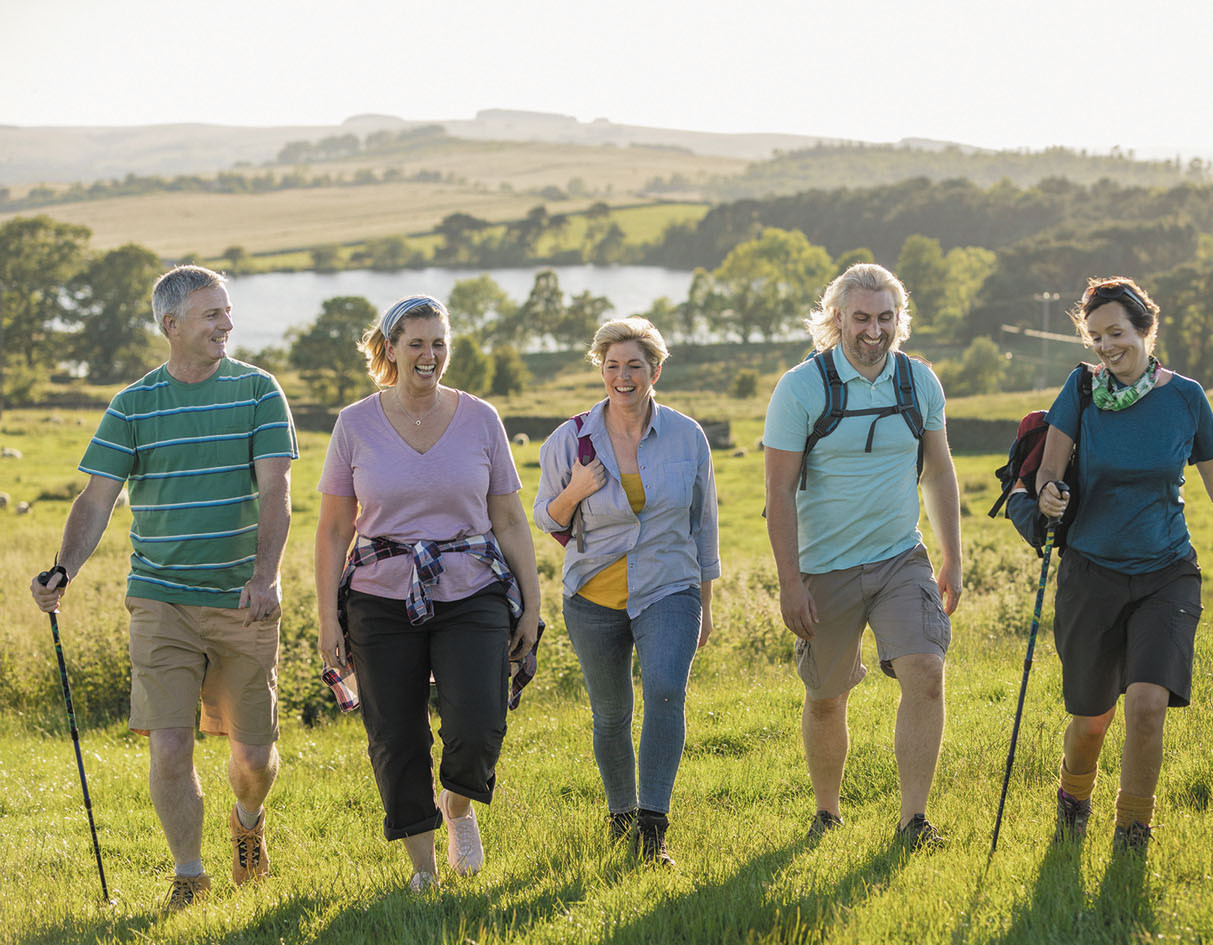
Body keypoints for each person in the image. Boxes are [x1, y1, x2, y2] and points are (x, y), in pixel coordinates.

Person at [30, 265, 296, 910]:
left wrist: (265, 578)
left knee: (253, 757)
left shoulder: (258, 390)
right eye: (213, 314)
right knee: (170, 746)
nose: (227, 324)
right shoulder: (133, 404)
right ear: (171, 325)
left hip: (242, 599)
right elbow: (97, 499)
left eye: (227, 311)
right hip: (159, 598)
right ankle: (189, 875)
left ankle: (248, 821)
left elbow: (276, 491)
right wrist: (63, 569)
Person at [1035, 276, 1213, 857]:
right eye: (1096, 336)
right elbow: (1049, 472)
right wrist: (1049, 494)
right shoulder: (1080, 391)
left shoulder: (1186, 399)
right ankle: (1074, 799)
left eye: (1116, 333)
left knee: (1148, 705)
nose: (1107, 346)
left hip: (1166, 572)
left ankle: (1133, 831)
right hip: (1091, 573)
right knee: (1092, 720)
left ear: (1146, 330)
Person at [313, 295, 541, 893]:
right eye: (415, 343)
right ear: (390, 349)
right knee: (396, 736)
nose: (429, 355)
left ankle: (457, 807)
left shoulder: (481, 418)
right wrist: (328, 619)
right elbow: (333, 529)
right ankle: (423, 870)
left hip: (473, 590)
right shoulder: (354, 424)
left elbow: (509, 519)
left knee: (480, 723)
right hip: (378, 597)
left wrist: (533, 603)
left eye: (439, 343)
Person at [763, 263, 962, 849]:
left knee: (926, 673)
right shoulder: (801, 388)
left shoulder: (919, 383)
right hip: (823, 567)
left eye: (884, 317)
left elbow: (939, 471)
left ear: (899, 319)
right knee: (827, 697)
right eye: (861, 318)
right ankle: (827, 813)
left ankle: (913, 821)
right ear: (837, 319)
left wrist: (952, 555)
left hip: (901, 558)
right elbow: (778, 491)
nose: (874, 330)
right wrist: (790, 582)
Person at [534, 317, 719, 866]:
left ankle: (653, 828)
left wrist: (707, 606)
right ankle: (621, 816)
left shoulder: (687, 436)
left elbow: (704, 526)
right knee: (611, 714)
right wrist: (575, 490)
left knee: (665, 691)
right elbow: (547, 518)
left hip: (670, 587)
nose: (623, 376)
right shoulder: (569, 440)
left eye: (634, 365)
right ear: (601, 370)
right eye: (612, 365)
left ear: (655, 371)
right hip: (592, 596)